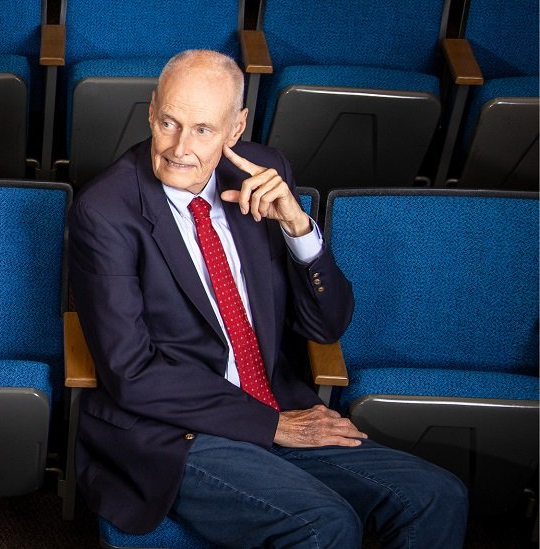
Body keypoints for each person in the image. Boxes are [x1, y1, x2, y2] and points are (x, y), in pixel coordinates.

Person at [67, 49, 468, 548]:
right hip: (176, 430)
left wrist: (299, 229)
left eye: (203, 130)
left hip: (275, 400)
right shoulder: (105, 210)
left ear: (236, 128)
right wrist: (271, 426)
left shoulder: (264, 173)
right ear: (151, 110)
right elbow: (131, 373)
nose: (178, 148)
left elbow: (327, 326)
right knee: (326, 524)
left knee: (437, 496)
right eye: (168, 122)